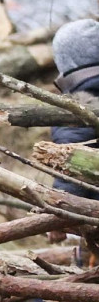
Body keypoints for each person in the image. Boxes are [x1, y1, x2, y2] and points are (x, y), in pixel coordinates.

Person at [47, 17, 99, 264]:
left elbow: (71, 171)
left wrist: (58, 217)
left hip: (95, 214)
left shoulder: (75, 108)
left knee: (82, 267)